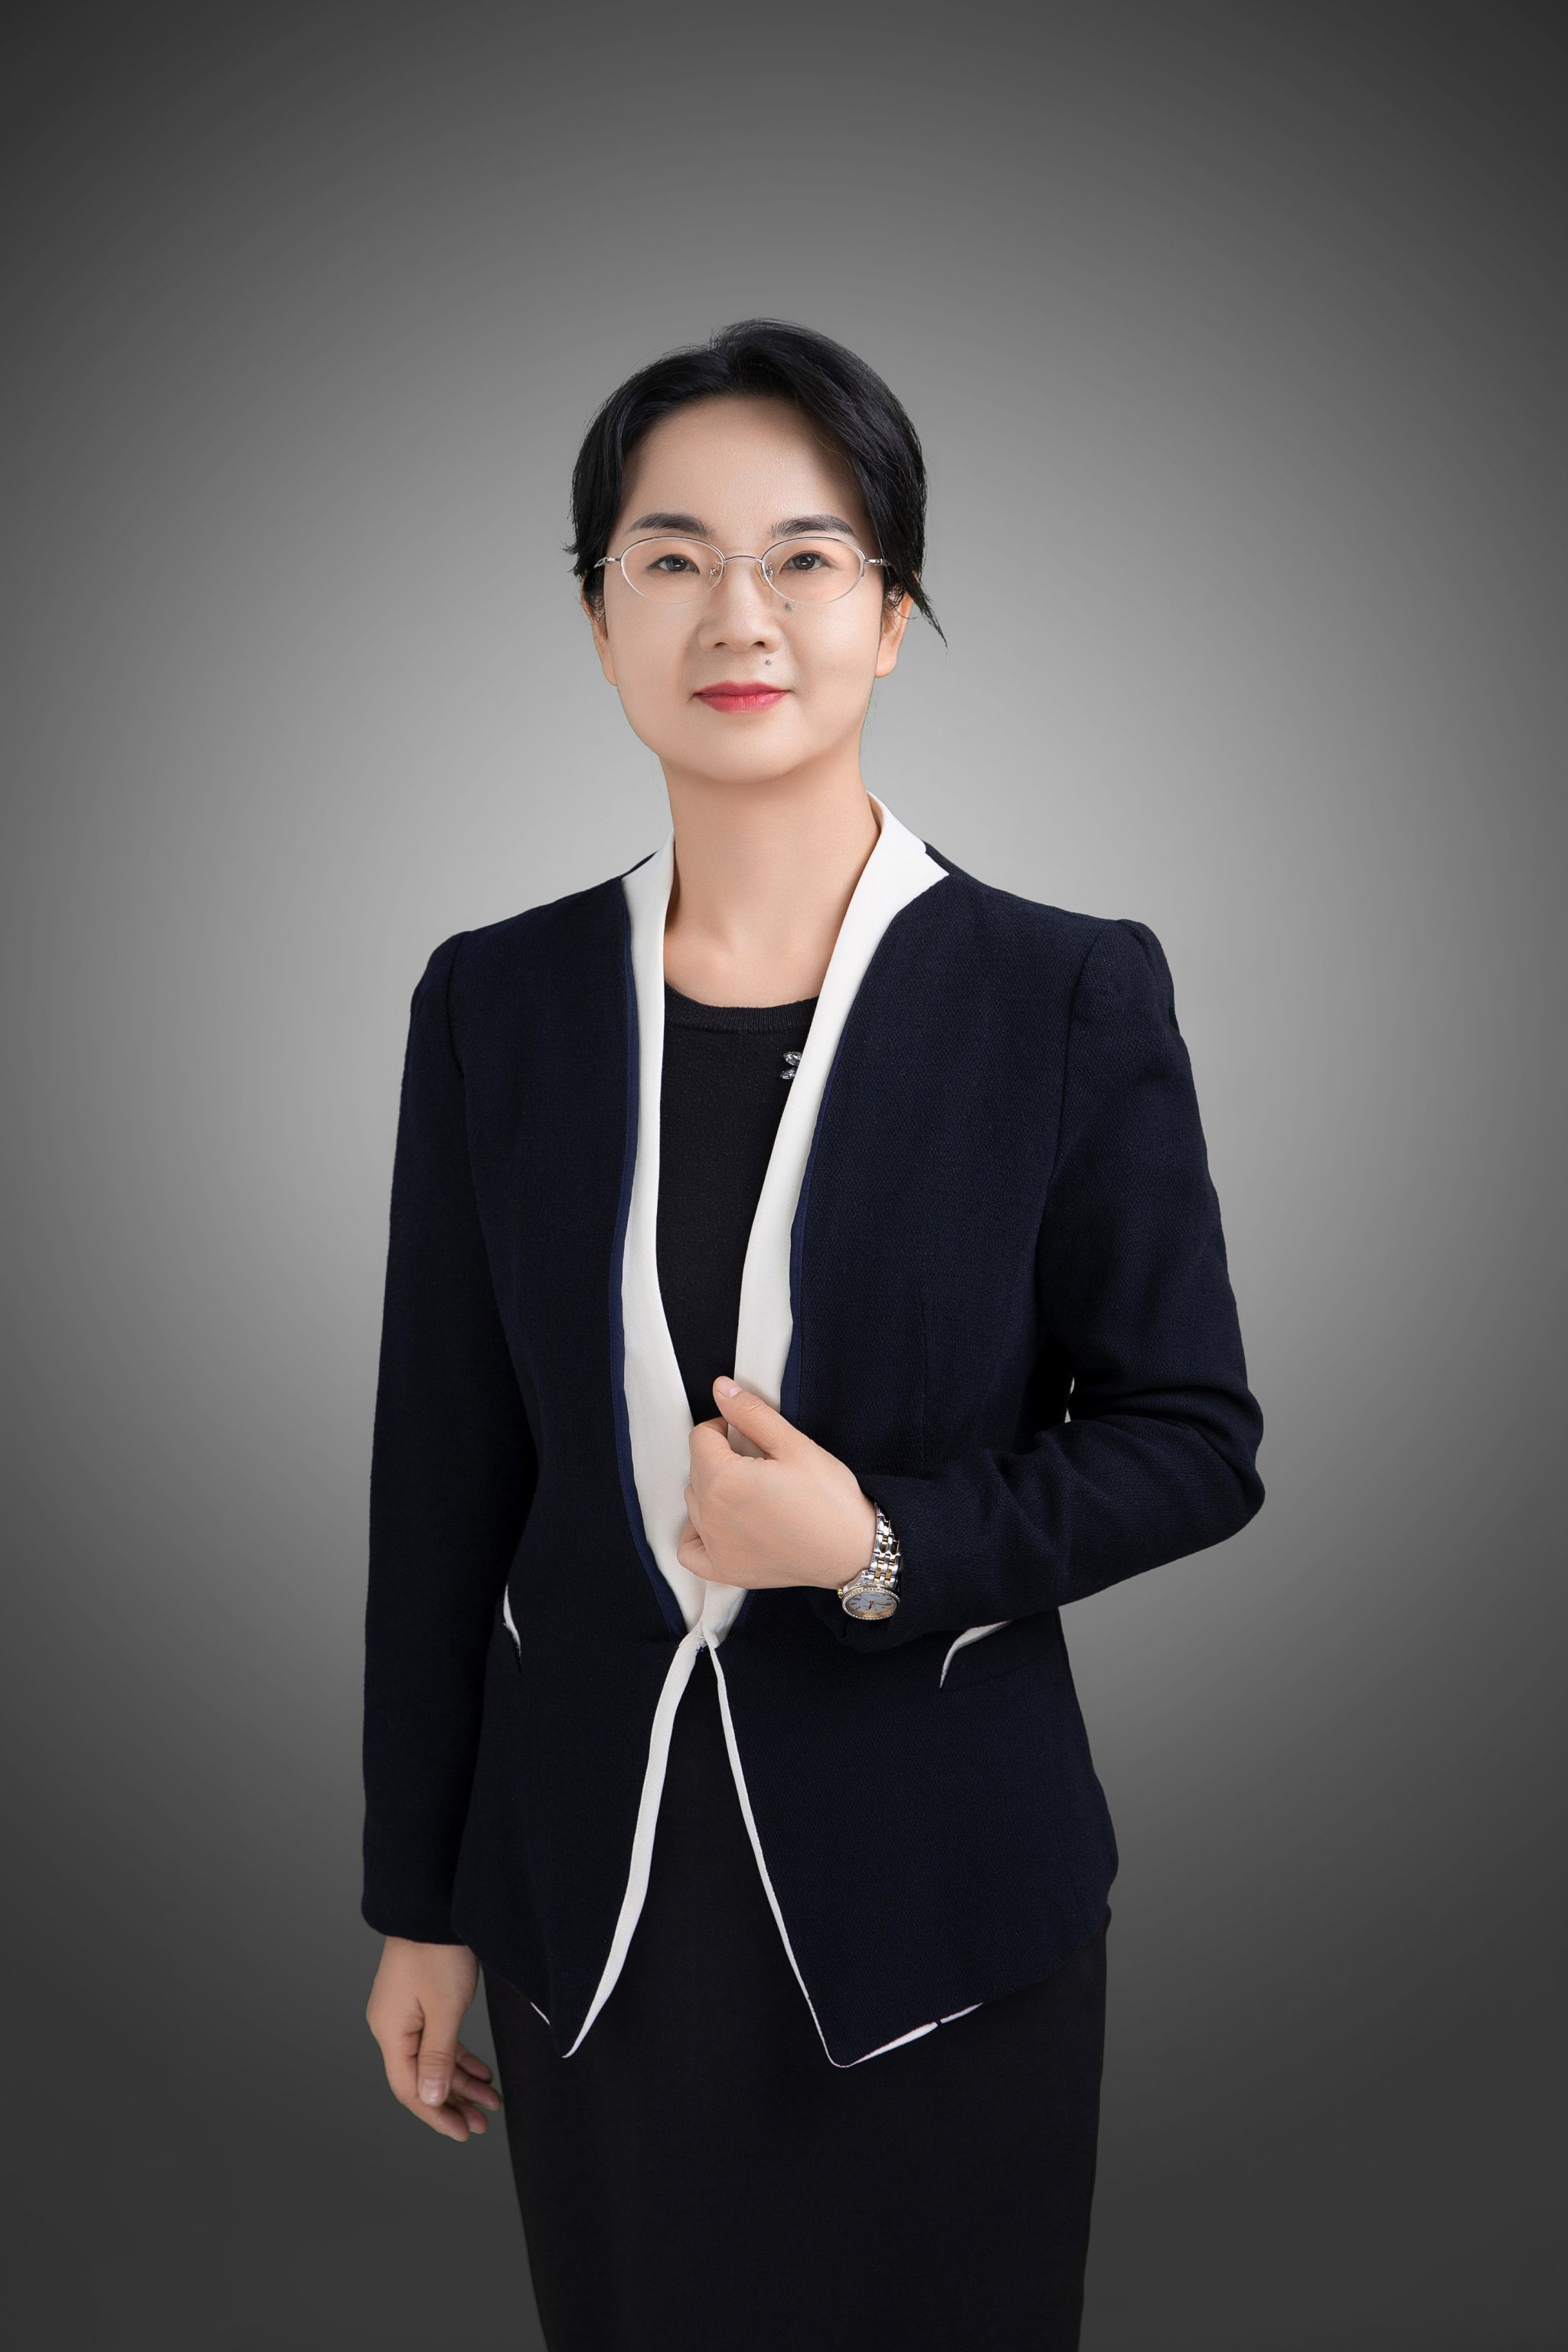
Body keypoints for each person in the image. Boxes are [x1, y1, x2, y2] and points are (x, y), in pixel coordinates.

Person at [361, 318, 1266, 2350]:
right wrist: (415, 1897)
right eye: (671, 557)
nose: (738, 613)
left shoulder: (1061, 994)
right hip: (590, 1913)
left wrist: (875, 1545)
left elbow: (1192, 1438)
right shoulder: (494, 1004)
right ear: (598, 617)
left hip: (945, 1910)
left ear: (893, 612)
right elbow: (440, 1480)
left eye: (807, 556)